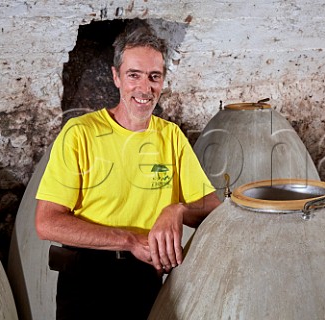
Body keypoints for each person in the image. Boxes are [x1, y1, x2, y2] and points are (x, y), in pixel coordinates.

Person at [35, 24, 221, 320]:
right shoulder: (79, 133)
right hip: (85, 279)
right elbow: (47, 223)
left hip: (146, 279)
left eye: (154, 77)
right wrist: (130, 240)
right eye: (134, 75)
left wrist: (177, 210)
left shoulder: (171, 137)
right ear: (116, 77)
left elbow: (213, 209)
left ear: (163, 82)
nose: (144, 88)